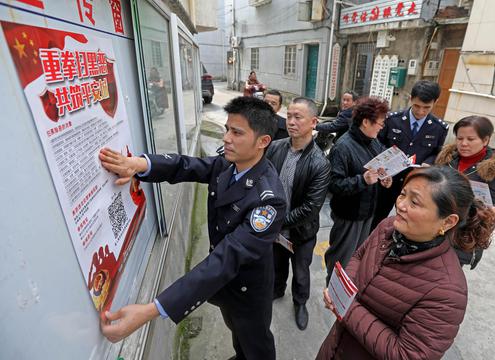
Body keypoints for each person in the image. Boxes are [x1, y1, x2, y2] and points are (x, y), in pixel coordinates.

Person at [99, 96, 286, 360]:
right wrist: (140, 164)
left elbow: (226, 258)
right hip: (224, 282)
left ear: (263, 142)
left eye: (237, 132)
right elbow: (186, 166)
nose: (226, 139)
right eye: (226, 129)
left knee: (256, 340)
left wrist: (152, 310)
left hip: (248, 287)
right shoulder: (229, 164)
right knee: (236, 330)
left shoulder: (269, 200)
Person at [317, 166, 495, 360]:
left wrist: (347, 308)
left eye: (415, 202)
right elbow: (360, 256)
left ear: (447, 222)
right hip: (333, 348)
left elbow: (407, 355)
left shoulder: (447, 291)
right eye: (403, 194)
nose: (400, 205)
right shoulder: (389, 226)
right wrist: (342, 293)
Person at [266, 97, 330, 330]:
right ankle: (277, 289)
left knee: (301, 271)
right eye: (289, 116)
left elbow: (311, 208)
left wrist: (278, 222)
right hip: (275, 227)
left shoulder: (319, 163)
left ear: (313, 122)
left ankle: (300, 302)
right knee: (276, 263)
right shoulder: (275, 147)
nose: (291, 122)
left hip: (301, 231)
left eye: (298, 117)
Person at [324, 96, 392, 284]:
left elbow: (380, 165)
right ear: (365, 122)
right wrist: (362, 180)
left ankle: (346, 289)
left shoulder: (373, 141)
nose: (381, 127)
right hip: (348, 214)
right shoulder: (343, 147)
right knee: (341, 257)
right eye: (379, 123)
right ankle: (333, 290)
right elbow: (334, 185)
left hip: (367, 211)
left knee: (357, 257)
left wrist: (385, 178)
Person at [435, 115, 495, 269]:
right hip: (437, 226)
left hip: (463, 235)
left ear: (485, 140)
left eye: (470, 139)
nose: (463, 144)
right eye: (459, 138)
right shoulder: (448, 159)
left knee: (445, 276)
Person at [371, 80, 449, 232]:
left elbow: (437, 153)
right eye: (417, 106)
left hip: (416, 183)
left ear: (435, 102)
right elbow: (378, 144)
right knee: (377, 219)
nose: (420, 112)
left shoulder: (439, 127)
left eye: (426, 107)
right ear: (411, 98)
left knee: (408, 221)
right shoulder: (393, 120)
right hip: (388, 180)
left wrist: (428, 163)